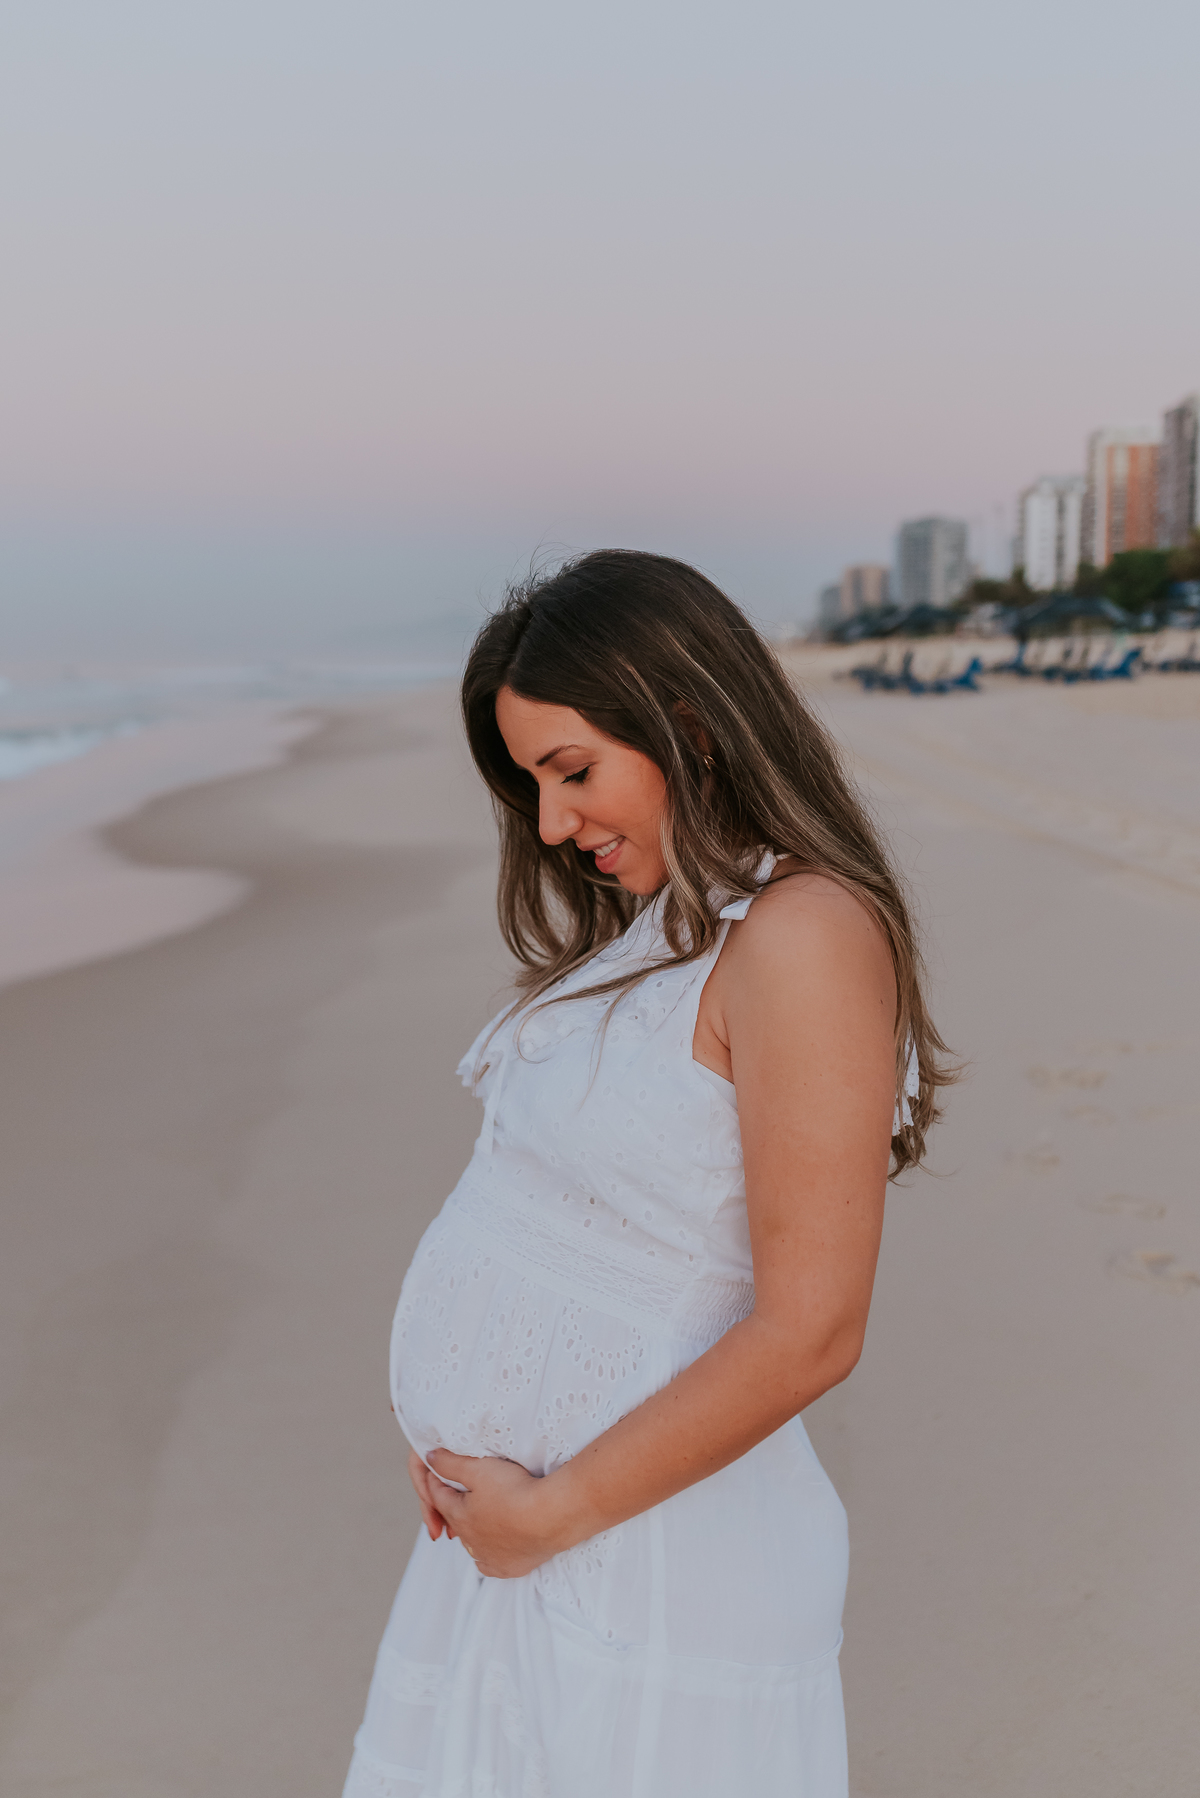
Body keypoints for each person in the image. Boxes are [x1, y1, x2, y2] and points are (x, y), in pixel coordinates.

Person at [342, 550, 951, 1797]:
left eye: (573, 770)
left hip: (646, 1561)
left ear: (691, 722)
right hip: (526, 1544)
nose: (553, 823)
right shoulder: (669, 927)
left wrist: (551, 1511)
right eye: (532, 783)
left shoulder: (802, 934)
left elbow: (813, 1328)